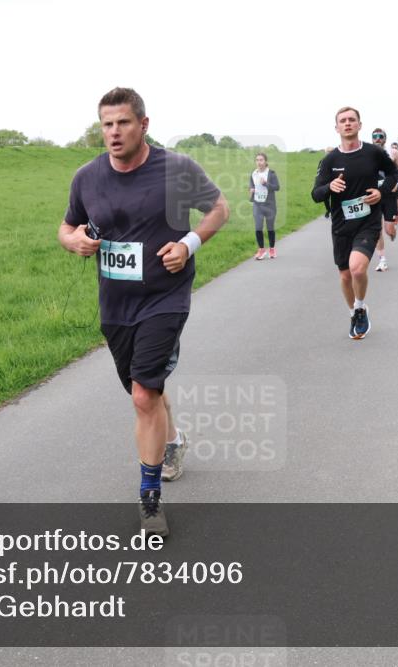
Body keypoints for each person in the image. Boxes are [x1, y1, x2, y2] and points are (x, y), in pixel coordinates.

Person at [58, 88, 229, 536]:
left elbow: (219, 208)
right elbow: (67, 224)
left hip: (165, 297)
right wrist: (72, 240)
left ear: (144, 125)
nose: (114, 132)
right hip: (115, 304)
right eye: (107, 124)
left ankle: (149, 497)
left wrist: (189, 244)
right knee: (144, 390)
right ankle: (173, 440)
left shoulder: (175, 169)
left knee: (141, 396)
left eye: (123, 123)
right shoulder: (88, 177)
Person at [311, 108, 398, 340]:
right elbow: (316, 194)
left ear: (360, 125)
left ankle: (360, 306)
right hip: (341, 225)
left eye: (352, 120)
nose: (348, 124)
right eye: (343, 121)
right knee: (344, 276)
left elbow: (394, 173)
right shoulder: (330, 160)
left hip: (368, 221)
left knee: (357, 268)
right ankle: (354, 313)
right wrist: (329, 187)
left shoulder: (373, 153)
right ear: (337, 128)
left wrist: (380, 192)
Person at [370, 132, 398, 271]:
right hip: (374, 195)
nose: (377, 139)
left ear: (385, 139)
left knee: (389, 229)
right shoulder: (368, 153)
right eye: (375, 136)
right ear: (371, 139)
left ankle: (392, 233)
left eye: (380, 136)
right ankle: (382, 260)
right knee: (377, 229)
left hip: (389, 194)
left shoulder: (393, 153)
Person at [249, 153, 280, 259]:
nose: (259, 162)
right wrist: (251, 190)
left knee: (270, 227)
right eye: (257, 160)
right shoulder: (253, 174)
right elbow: (251, 185)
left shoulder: (271, 173)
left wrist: (266, 183)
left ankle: (272, 249)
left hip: (269, 205)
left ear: (265, 161)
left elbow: (277, 187)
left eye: (261, 160)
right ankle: (261, 250)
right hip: (257, 204)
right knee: (258, 227)